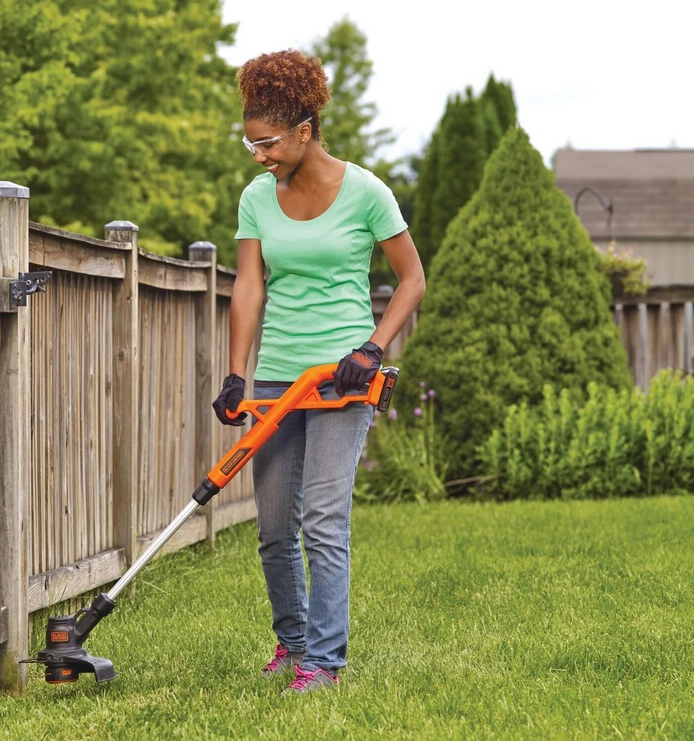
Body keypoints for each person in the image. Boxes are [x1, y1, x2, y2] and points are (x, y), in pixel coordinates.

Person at [211, 50, 425, 694]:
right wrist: (234, 375)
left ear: (305, 130)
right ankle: (293, 641)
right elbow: (249, 288)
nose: (260, 157)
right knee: (275, 529)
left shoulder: (366, 192)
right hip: (278, 377)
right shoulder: (256, 197)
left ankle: (325, 664)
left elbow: (411, 279)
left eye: (269, 143)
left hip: (342, 379)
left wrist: (374, 347)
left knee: (325, 520)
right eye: (250, 144)